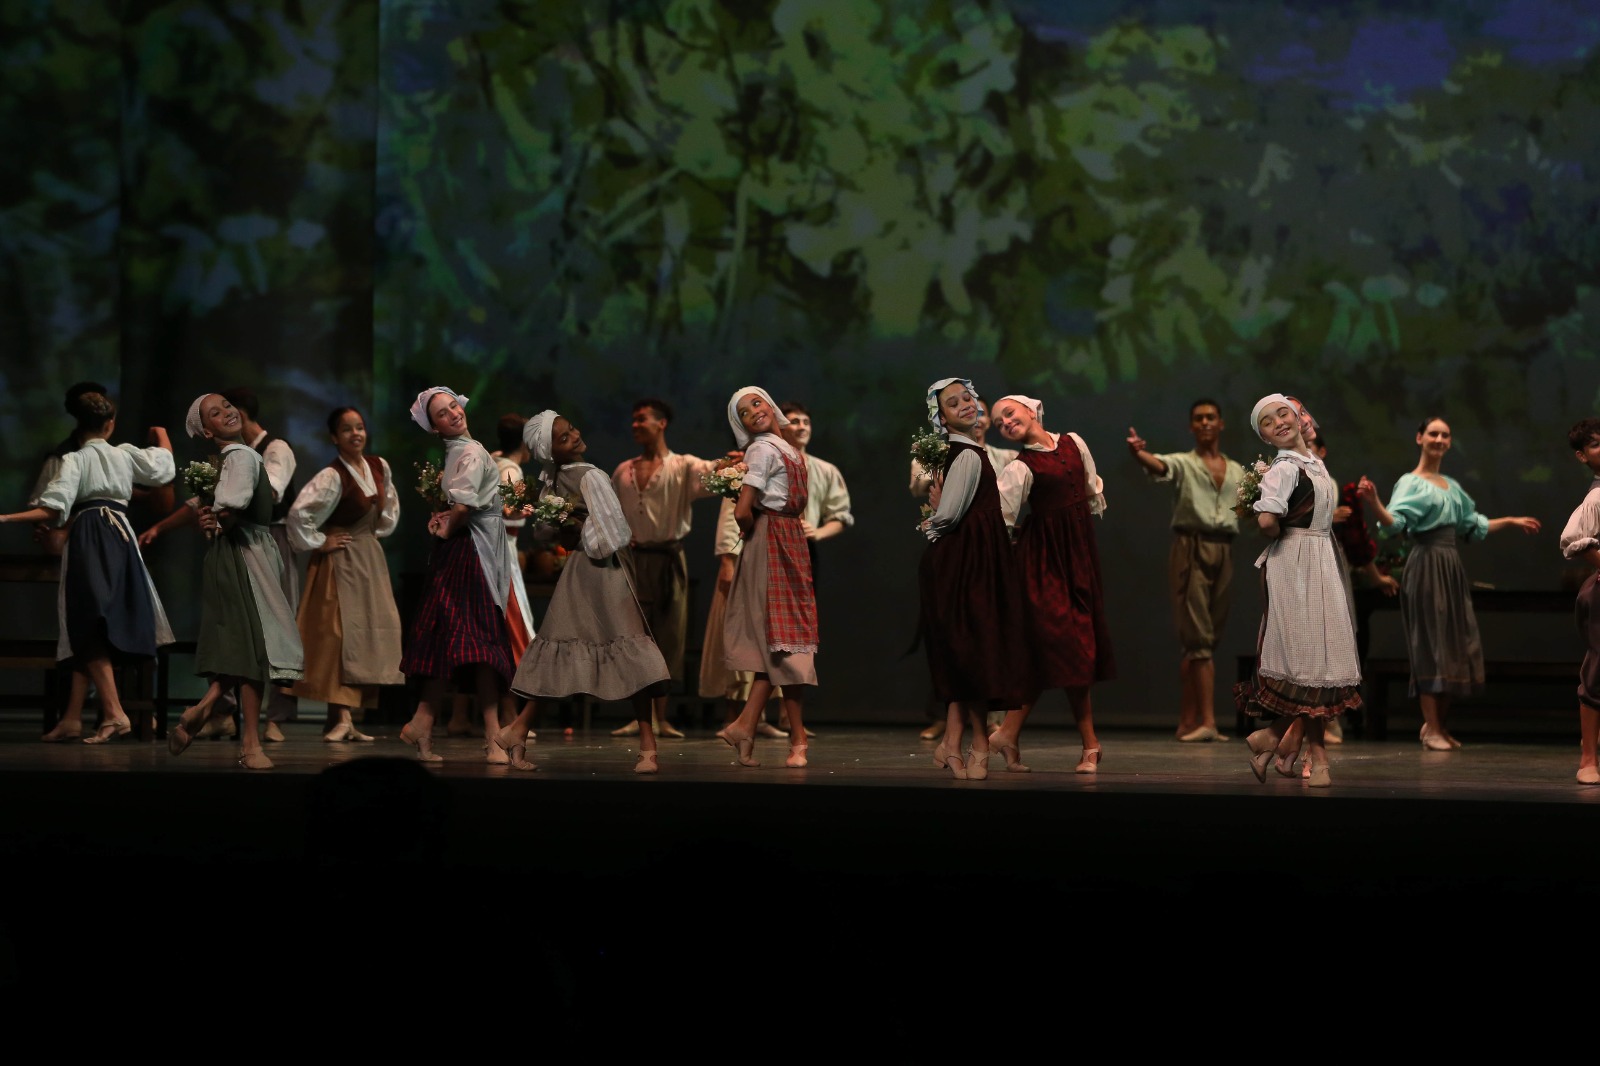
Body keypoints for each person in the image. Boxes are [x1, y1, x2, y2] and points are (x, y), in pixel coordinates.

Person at [495, 411, 671, 773]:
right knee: (626, 649)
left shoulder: (556, 478)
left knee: (568, 651)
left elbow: (549, 531)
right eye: (563, 437)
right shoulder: (590, 475)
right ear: (552, 452)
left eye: (571, 428)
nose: (574, 435)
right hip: (602, 573)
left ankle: (518, 729)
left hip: (580, 572)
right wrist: (576, 529)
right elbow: (611, 535)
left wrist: (571, 528)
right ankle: (647, 748)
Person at [0, 390, 176, 743]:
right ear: (110, 424)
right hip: (121, 537)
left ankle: (114, 713)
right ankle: (112, 713)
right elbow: (165, 465)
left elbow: (53, 508)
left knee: (88, 618)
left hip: (91, 537)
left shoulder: (75, 459)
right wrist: (161, 434)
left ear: (79, 426)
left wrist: (6, 517)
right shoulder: (124, 454)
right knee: (100, 618)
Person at [1359, 416, 1542, 750]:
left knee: (1454, 643)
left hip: (1450, 565)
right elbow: (1394, 524)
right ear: (1420, 438)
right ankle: (1431, 727)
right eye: (1433, 433)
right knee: (1430, 642)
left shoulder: (1452, 486)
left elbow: (1473, 524)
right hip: (1426, 563)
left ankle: (1438, 727)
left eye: (1445, 435)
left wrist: (1511, 521)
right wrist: (1374, 503)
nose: (1440, 439)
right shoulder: (1410, 482)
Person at [394, 386, 535, 763]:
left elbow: (464, 503)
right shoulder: (470, 451)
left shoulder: (462, 449)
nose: (453, 414)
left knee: (461, 639)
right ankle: (486, 736)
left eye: (453, 406)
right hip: (471, 553)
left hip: (473, 547)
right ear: (434, 426)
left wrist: (448, 519)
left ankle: (430, 724)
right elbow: (463, 505)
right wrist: (448, 526)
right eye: (442, 413)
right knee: (477, 640)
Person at [166, 393, 305, 769]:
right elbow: (233, 504)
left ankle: (204, 708)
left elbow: (222, 511)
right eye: (216, 413)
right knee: (255, 649)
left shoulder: (234, 457)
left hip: (237, 553)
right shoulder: (241, 456)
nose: (227, 412)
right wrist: (220, 515)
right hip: (244, 556)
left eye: (227, 405)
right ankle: (250, 744)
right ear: (208, 431)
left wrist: (214, 517)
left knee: (245, 647)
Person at [1236, 394, 1362, 788]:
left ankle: (1272, 740)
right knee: (1308, 658)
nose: (1279, 422)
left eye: (1283, 414)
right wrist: (1284, 533)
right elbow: (1266, 520)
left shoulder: (1313, 463)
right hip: (1295, 561)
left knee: (1320, 659)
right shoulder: (1285, 467)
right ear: (1265, 436)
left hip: (1319, 557)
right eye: (1268, 422)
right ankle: (1314, 757)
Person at [987, 394, 1113, 774]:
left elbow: (1089, 491)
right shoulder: (1020, 467)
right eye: (999, 423)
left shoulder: (1074, 443)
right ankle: (1090, 744)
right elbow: (1002, 518)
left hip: (1078, 556)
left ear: (1031, 410)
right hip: (1043, 562)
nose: (1006, 423)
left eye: (1009, 413)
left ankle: (1008, 734)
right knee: (1064, 644)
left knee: (1062, 650)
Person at [916, 377, 1027, 779]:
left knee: (972, 650)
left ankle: (952, 742)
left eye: (967, 397)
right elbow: (947, 515)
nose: (965, 404)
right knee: (973, 650)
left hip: (975, 557)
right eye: (953, 403)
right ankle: (976, 743)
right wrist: (933, 524)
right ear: (942, 418)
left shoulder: (970, 452)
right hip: (966, 561)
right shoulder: (966, 455)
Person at [1126, 400, 1245, 742]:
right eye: (1198, 418)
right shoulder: (1184, 462)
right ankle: (1208, 721)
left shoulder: (1237, 470)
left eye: (1211, 417)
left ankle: (1187, 721)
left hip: (1224, 548)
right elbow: (1159, 465)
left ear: (1221, 423)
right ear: (1191, 426)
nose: (1205, 422)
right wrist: (1138, 453)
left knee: (1206, 640)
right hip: (1191, 546)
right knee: (1198, 638)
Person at [285, 406, 405, 742]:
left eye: (360, 427)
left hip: (368, 557)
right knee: (339, 635)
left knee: (366, 635)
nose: (356, 434)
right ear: (335, 437)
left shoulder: (378, 467)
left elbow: (388, 511)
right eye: (347, 429)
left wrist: (373, 533)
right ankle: (341, 716)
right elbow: (298, 514)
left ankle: (344, 719)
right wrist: (321, 541)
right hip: (340, 561)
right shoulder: (332, 475)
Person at [715, 387, 819, 769]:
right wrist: (753, 534)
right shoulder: (761, 449)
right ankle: (796, 738)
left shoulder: (786, 448)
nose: (753, 412)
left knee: (783, 639)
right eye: (743, 412)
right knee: (784, 639)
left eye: (756, 403)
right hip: (773, 537)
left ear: (770, 405)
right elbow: (743, 510)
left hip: (788, 538)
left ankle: (746, 727)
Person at [609, 398, 723, 738]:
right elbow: (610, 512)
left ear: (661, 424)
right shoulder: (623, 470)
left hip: (668, 558)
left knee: (668, 636)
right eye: (633, 419)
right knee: (634, 637)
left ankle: (661, 717)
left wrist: (737, 460)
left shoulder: (682, 466)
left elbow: (716, 472)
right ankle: (640, 716)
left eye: (641, 419)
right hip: (633, 559)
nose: (635, 425)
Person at [216, 386, 303, 743]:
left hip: (272, 538)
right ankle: (223, 711)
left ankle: (275, 717)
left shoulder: (274, 448)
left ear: (238, 414)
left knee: (279, 620)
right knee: (234, 622)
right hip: (238, 538)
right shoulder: (233, 454)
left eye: (224, 412)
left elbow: (272, 490)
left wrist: (230, 498)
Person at [445, 411, 535, 739]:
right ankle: (509, 715)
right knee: (508, 630)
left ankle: (460, 715)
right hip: (499, 553)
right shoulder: (511, 469)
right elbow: (504, 515)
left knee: (481, 630)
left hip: (483, 551)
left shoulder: (492, 459)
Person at [1309, 431, 1399, 745]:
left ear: (1322, 451)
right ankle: (1304, 721)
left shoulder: (1332, 485)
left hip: (1330, 566)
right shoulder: (1290, 478)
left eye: (1311, 446)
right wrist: (1326, 517)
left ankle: (1329, 719)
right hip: (1301, 566)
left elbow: (1354, 538)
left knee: (1333, 643)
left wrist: (1375, 576)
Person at [1559, 417, 1600, 785]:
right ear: (1582, 455)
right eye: (1597, 444)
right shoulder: (1596, 497)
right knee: (1598, 672)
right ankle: (1588, 758)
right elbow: (1573, 539)